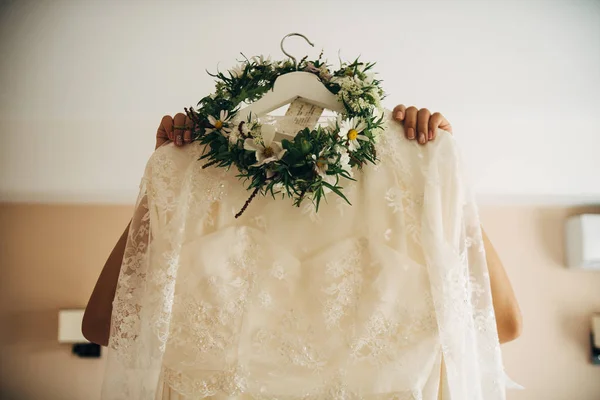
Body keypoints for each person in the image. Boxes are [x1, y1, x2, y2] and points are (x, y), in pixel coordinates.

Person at [83, 104, 522, 349]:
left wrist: (443, 189)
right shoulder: (200, 186)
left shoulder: (408, 184)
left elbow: (501, 323)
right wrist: (165, 194)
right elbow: (103, 324)